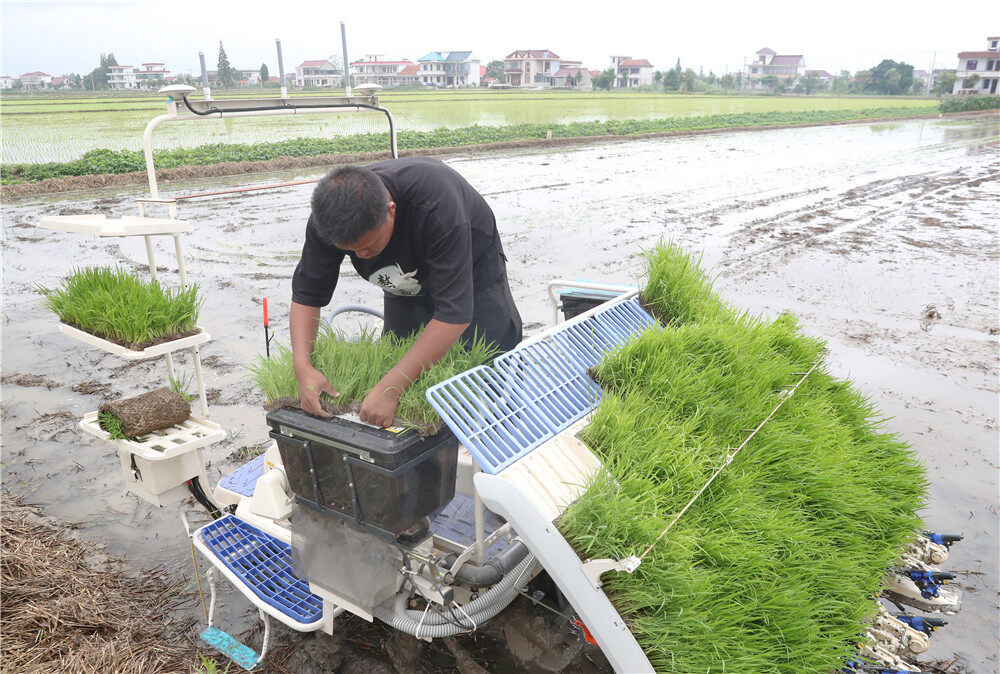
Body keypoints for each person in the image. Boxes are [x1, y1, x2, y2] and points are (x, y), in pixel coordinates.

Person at [290, 157, 522, 427]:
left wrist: (391, 388)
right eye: (351, 251)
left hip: (472, 268)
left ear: (391, 210)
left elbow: (455, 313)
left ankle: (498, 431)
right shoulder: (329, 221)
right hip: (403, 279)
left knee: (487, 367)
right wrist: (302, 367)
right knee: (399, 357)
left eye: (369, 246)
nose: (361, 257)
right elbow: (307, 295)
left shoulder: (437, 206)